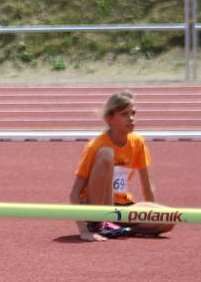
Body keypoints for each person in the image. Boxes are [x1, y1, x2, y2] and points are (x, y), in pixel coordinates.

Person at [69, 90, 175, 241]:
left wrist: (152, 215)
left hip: (122, 207)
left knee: (169, 219)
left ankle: (120, 229)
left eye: (133, 113)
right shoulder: (96, 146)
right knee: (107, 154)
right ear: (109, 118)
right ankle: (100, 224)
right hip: (95, 208)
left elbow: (147, 187)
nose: (131, 119)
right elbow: (74, 194)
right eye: (124, 114)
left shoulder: (138, 142)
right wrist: (83, 231)